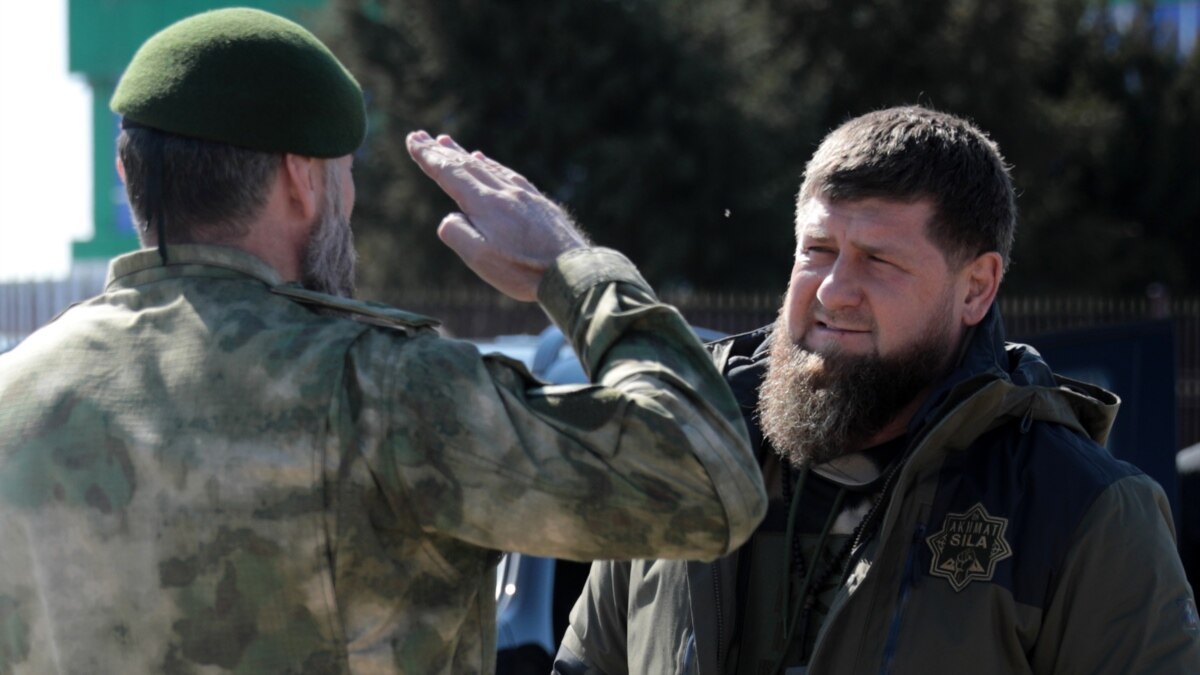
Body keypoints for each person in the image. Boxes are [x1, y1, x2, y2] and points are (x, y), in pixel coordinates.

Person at [0, 8, 767, 674]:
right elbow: (708, 482)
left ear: (127, 170)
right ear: (301, 177)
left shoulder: (15, 395)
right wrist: (570, 266)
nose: (351, 199)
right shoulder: (380, 394)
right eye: (344, 174)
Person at [553, 106, 1200, 674]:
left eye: (878, 259)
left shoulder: (1083, 513)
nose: (833, 289)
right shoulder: (688, 458)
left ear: (975, 287)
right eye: (818, 249)